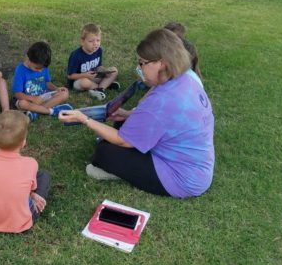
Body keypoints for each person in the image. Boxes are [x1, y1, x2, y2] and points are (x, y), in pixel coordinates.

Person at [59, 29, 214, 198]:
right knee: (122, 124)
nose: (140, 69)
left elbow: (122, 140)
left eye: (142, 63)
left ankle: (118, 171)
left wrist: (84, 118)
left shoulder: (162, 101)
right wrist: (126, 115)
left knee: (103, 153)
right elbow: (162, 120)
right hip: (196, 164)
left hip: (181, 178)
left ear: (161, 63)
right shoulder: (188, 76)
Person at [0, 110, 51, 233]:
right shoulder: (31, 163)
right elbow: (29, 188)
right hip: (22, 221)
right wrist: (32, 194)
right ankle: (38, 201)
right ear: (23, 142)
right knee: (44, 175)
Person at [12, 41, 73, 122]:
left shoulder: (43, 66)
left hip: (42, 96)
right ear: (28, 58)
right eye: (37, 68)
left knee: (64, 93)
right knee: (23, 104)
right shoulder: (20, 70)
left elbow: (47, 83)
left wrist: (56, 89)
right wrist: (33, 99)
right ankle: (51, 111)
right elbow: (17, 94)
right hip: (28, 99)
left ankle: (35, 112)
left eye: (42, 68)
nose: (40, 71)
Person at [67, 23, 119, 101]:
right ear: (82, 41)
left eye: (98, 40)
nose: (95, 44)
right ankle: (103, 86)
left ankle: (100, 88)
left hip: (93, 77)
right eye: (91, 41)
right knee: (85, 82)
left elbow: (98, 67)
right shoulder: (76, 55)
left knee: (114, 71)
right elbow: (70, 76)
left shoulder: (99, 51)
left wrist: (104, 71)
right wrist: (85, 75)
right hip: (79, 80)